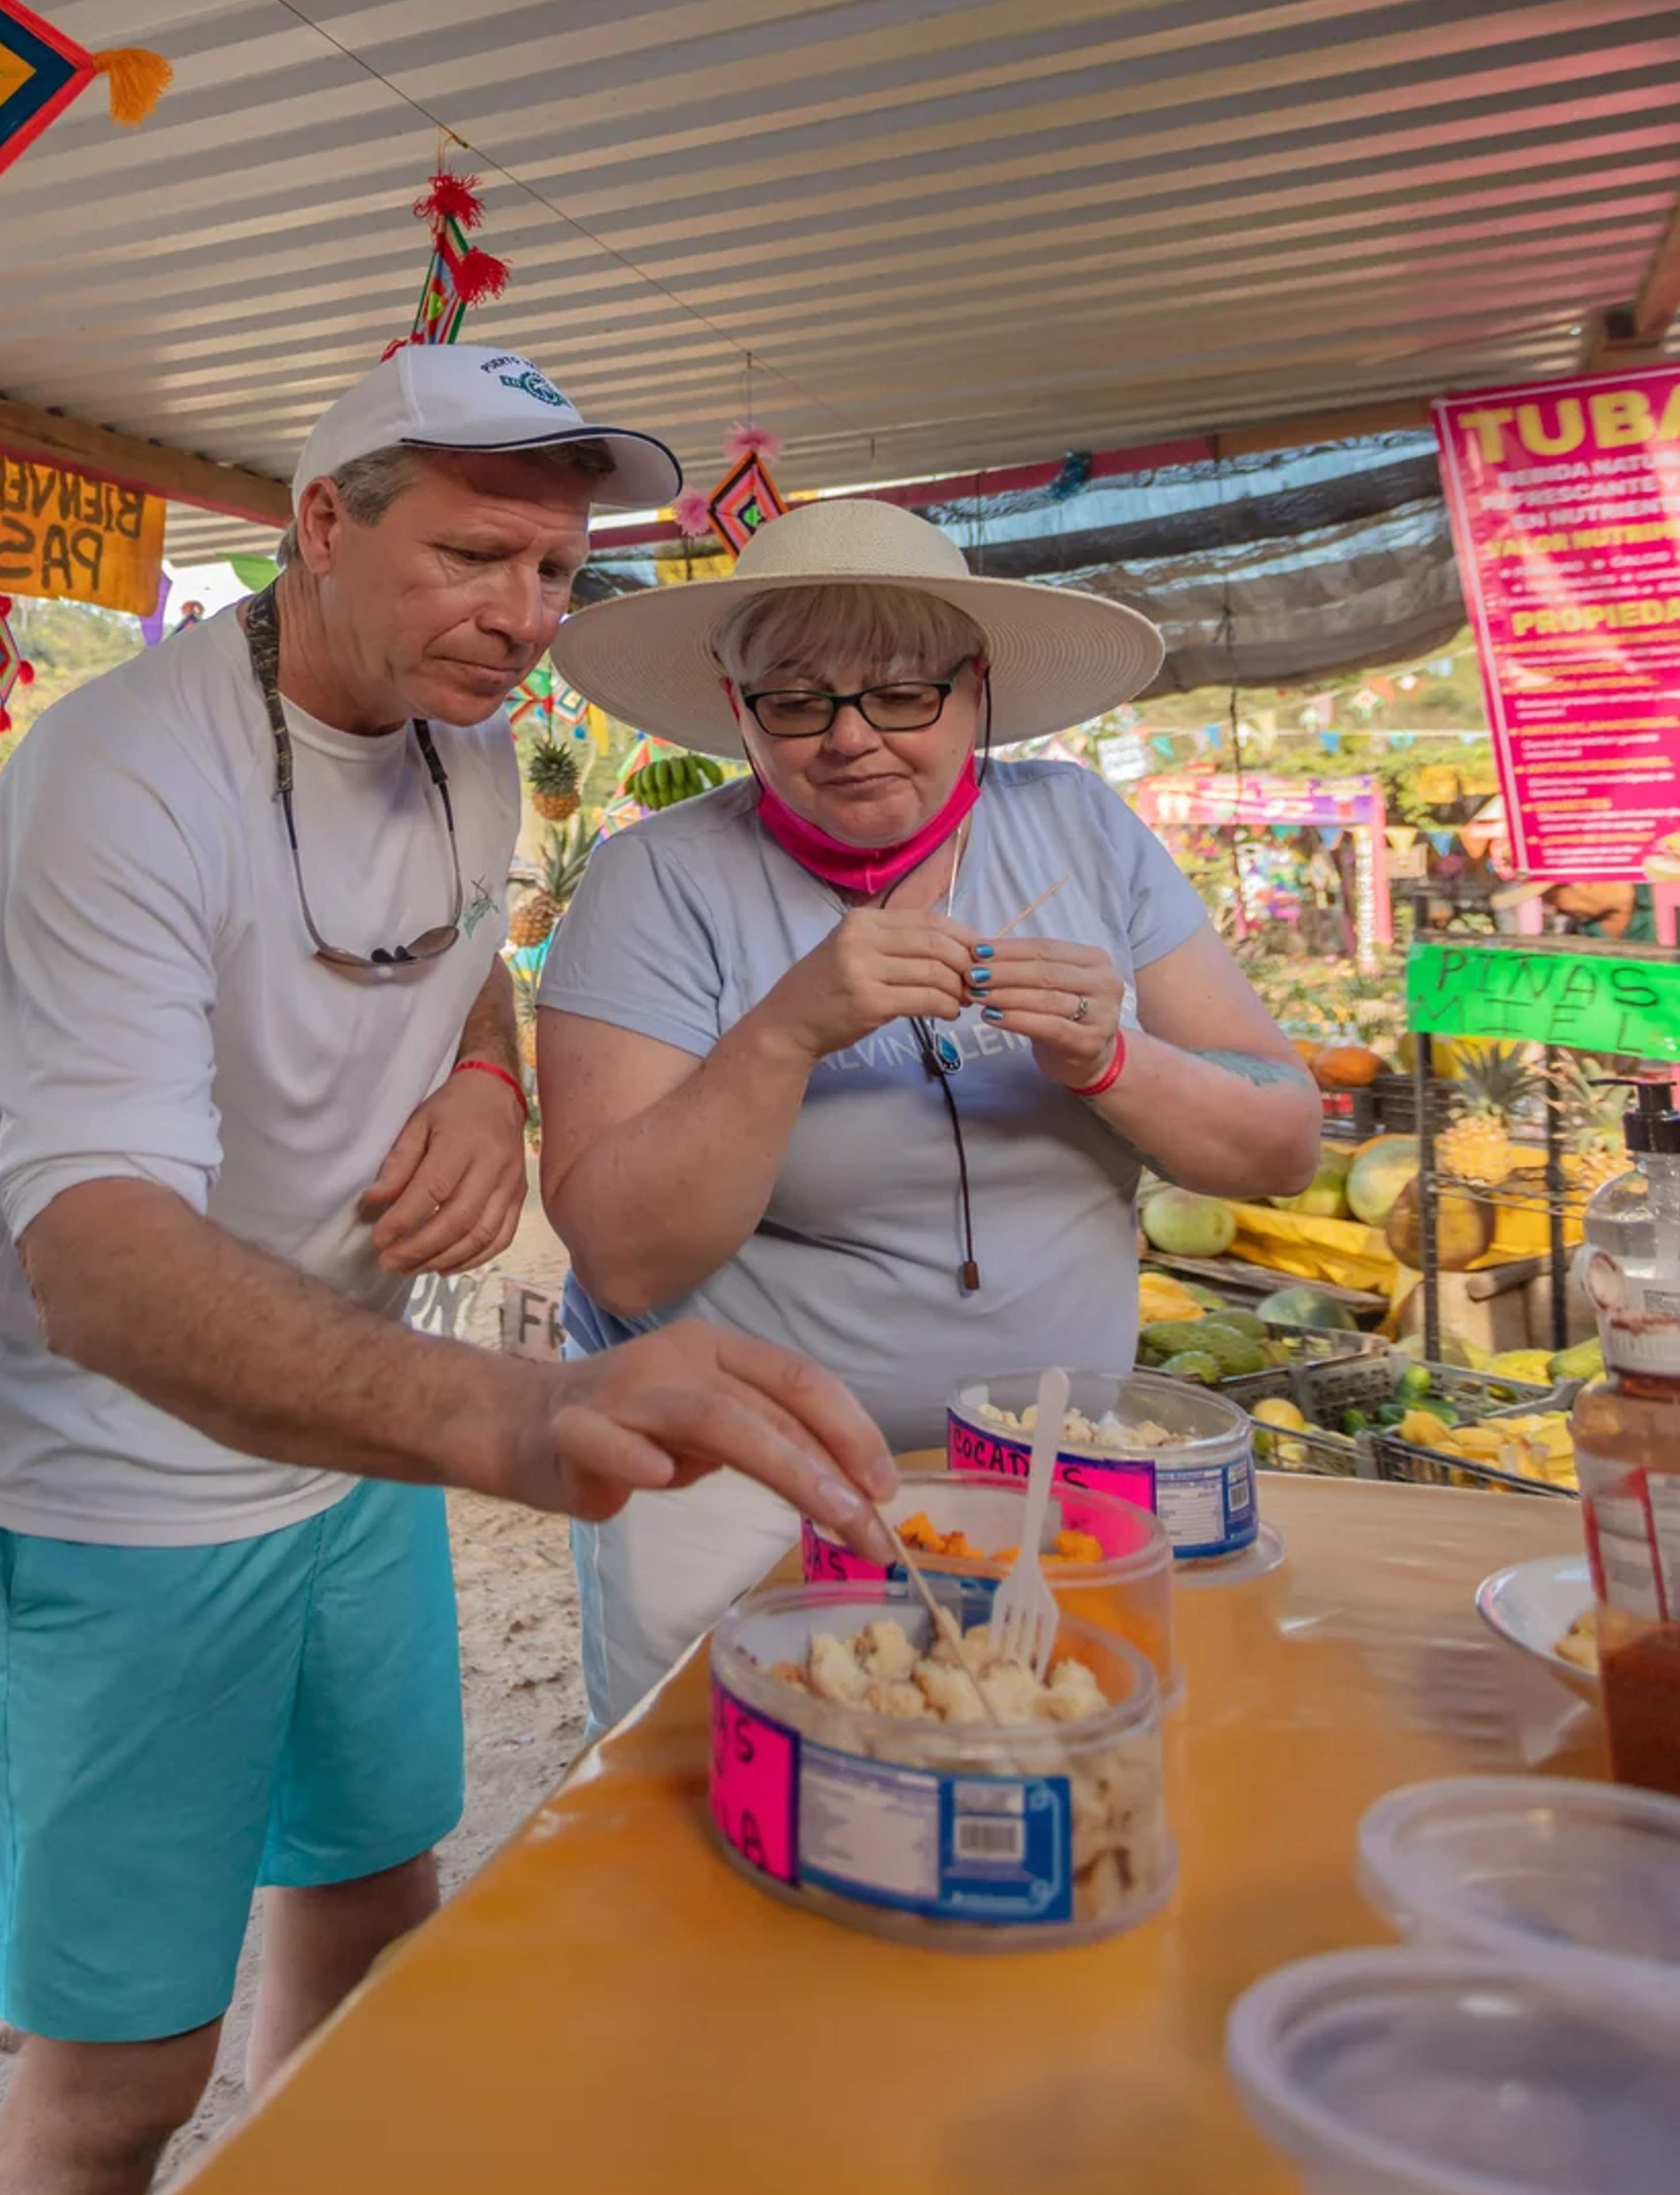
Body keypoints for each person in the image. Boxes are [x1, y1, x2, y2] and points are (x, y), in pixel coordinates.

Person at [0, 341, 900, 2195]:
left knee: (378, 1905)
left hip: (344, 1438)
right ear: (317, 522)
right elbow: (101, 1259)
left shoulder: (469, 749)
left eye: (556, 571)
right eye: (475, 556)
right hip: (117, 1480)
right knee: (124, 2073)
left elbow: (449, 986)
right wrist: (520, 1413)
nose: (526, 618)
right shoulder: (117, 772)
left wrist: (489, 1092)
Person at [537, 499, 1322, 1729]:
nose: (851, 740)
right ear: (735, 704)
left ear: (976, 686)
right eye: (794, 701)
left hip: (1061, 1473)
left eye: (903, 694)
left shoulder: (1079, 829)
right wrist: (785, 1032)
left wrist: (1115, 1064)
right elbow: (621, 1249)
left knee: (1051, 1784)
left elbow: (1281, 1143)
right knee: (731, 1819)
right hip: (745, 1483)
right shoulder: (661, 880)